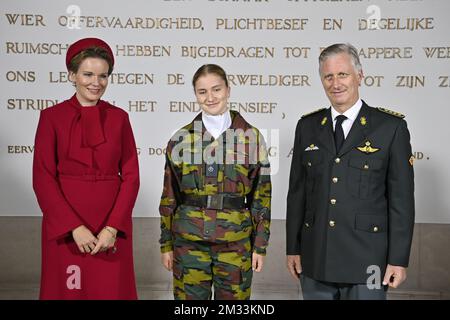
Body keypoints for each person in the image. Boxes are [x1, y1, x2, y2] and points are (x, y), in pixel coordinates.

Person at [286, 43, 415, 300]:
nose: (336, 83)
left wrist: (398, 259)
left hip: (368, 260)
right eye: (328, 76)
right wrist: (293, 248)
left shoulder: (390, 128)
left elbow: (401, 201)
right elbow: (298, 194)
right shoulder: (307, 127)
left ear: (359, 75)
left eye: (342, 74)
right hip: (316, 257)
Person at [33, 37, 140, 299]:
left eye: (103, 76)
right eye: (88, 74)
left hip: (111, 227)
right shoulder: (51, 117)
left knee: (110, 291)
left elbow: (131, 177)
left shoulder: (119, 118)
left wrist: (112, 227)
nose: (96, 82)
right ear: (72, 75)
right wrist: (74, 227)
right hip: (66, 228)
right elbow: (43, 178)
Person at [159, 64, 271, 300]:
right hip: (189, 243)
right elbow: (169, 196)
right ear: (195, 95)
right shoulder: (181, 139)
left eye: (216, 89)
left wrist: (260, 245)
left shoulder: (250, 138)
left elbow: (262, 196)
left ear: (228, 90)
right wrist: (166, 244)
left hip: (235, 244)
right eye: (202, 92)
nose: (210, 97)